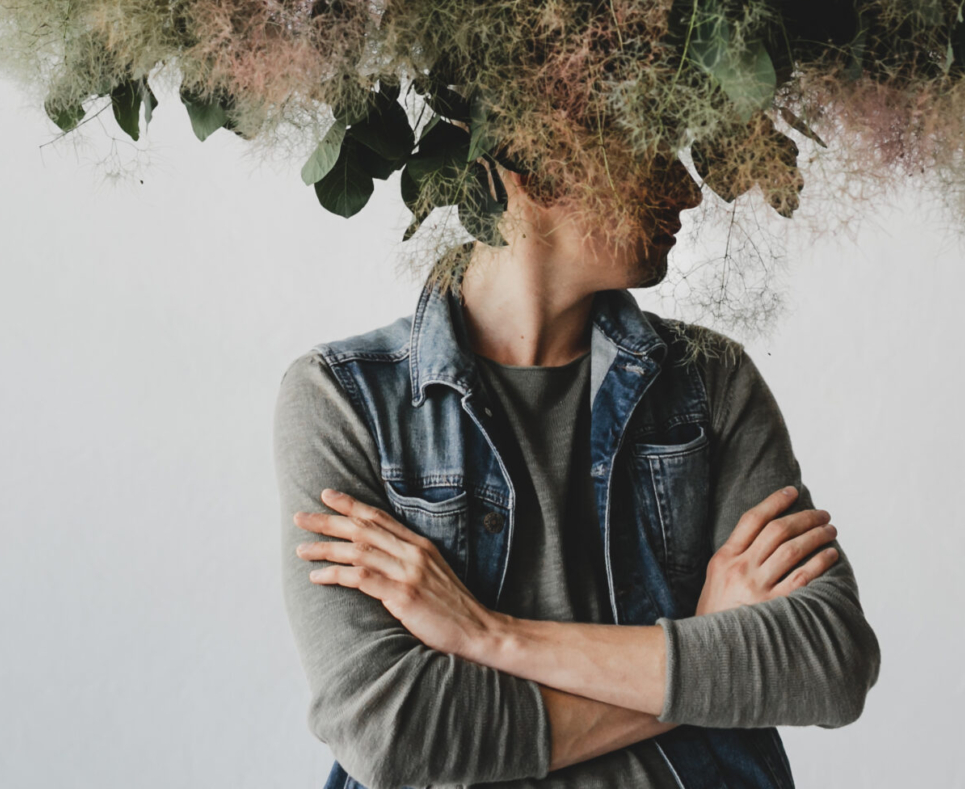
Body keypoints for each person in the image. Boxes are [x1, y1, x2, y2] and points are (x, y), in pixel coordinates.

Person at [274, 151, 879, 788]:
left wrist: (493, 635)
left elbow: (826, 660)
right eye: (652, 150)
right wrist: (703, 653)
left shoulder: (711, 383)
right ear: (530, 160)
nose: (690, 192)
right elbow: (394, 734)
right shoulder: (344, 400)